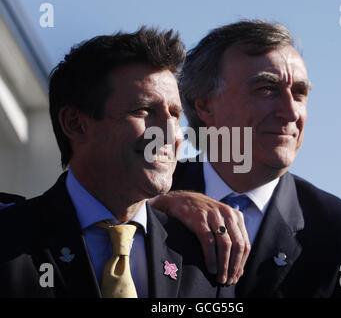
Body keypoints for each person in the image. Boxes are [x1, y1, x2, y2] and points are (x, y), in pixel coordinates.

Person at [150, 20, 341, 297]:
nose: (290, 112)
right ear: (204, 105)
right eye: (266, 89)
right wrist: (158, 203)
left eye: (299, 93)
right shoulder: (144, 196)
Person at [0, 27, 234, 298]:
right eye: (144, 111)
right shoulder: (9, 239)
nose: (171, 135)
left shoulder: (207, 256)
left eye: (174, 114)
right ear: (76, 124)